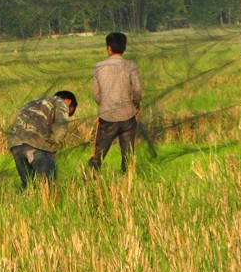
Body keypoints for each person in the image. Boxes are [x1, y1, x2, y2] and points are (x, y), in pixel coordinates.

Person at [88, 32, 142, 173]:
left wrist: (105, 104)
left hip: (107, 118)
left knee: (97, 156)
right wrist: (136, 103)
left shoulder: (99, 67)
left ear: (109, 48)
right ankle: (128, 182)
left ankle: (88, 182)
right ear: (124, 48)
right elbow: (137, 90)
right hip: (128, 117)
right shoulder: (131, 66)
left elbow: (96, 94)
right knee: (128, 155)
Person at [7, 90, 78, 188]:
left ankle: (26, 202)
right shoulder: (61, 102)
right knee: (47, 184)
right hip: (35, 144)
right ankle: (47, 203)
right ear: (68, 101)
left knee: (29, 186)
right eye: (69, 111)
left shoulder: (34, 102)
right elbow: (61, 127)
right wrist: (53, 148)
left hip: (15, 144)